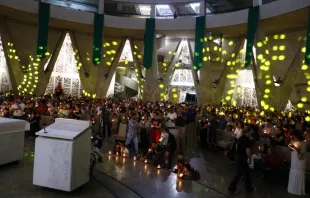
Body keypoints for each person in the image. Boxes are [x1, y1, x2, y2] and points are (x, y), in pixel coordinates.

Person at [288, 130, 306, 195]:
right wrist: (290, 147)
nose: (293, 136)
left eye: (294, 135)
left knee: (298, 172)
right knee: (293, 172)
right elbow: (292, 150)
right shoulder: (293, 141)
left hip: (299, 160)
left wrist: (294, 147)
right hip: (294, 159)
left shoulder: (303, 142)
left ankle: (298, 190)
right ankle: (292, 189)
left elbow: (302, 152)